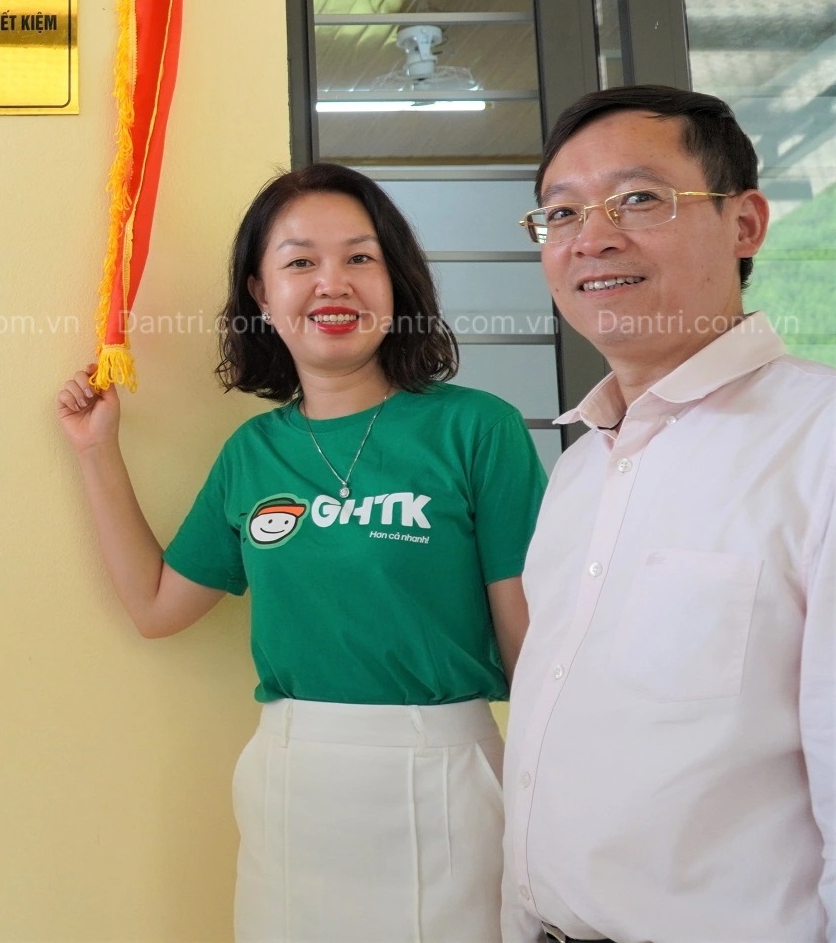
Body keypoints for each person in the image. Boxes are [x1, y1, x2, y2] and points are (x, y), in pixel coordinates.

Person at [58, 162, 544, 943]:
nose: (333, 284)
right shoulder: (253, 453)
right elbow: (155, 607)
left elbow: (529, 645)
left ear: (397, 280)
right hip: (292, 781)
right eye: (299, 263)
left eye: (360, 258)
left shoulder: (477, 429)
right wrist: (96, 451)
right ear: (261, 293)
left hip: (446, 774)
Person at [502, 85, 833, 943]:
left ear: (746, 223)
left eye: (639, 198)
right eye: (561, 213)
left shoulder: (819, 445)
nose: (592, 238)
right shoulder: (578, 473)